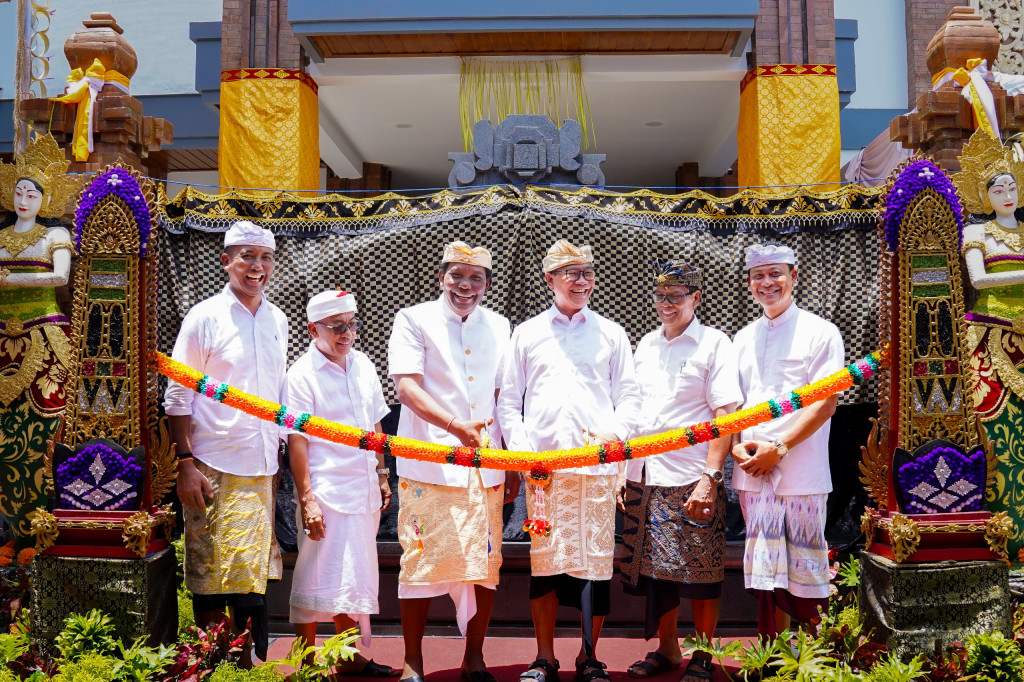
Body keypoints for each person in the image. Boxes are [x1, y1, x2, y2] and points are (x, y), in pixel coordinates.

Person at [498, 239, 641, 682]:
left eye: (588, 272)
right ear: (550, 280)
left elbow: (630, 397)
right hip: (544, 474)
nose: (582, 281)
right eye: (571, 273)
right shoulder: (527, 333)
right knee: (545, 565)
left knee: (595, 566)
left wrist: (613, 436)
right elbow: (509, 403)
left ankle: (588, 657)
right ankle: (544, 657)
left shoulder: (611, 333)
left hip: (596, 470)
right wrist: (524, 455)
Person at [387, 241, 516, 682]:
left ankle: (474, 658)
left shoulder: (500, 325)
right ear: (441, 277)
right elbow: (407, 387)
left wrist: (509, 460)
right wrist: (454, 426)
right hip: (429, 465)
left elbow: (503, 395)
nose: (465, 285)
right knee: (419, 564)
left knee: (485, 565)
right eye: (456, 275)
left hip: (485, 467)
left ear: (488, 284)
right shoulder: (413, 318)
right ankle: (413, 662)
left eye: (475, 277)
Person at [164, 220, 287, 665]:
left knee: (251, 569)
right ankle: (210, 665)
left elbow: (279, 393)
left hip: (263, 463)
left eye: (266, 257)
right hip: (212, 462)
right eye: (247, 256)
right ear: (226, 261)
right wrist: (185, 463)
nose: (257, 266)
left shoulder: (278, 319)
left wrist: (280, 451)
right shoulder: (204, 317)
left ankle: (245, 664)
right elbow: (178, 394)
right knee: (212, 570)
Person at [621, 260, 743, 682]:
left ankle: (704, 655)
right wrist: (622, 472)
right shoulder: (645, 344)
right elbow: (632, 409)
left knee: (702, 572)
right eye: (660, 296)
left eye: (676, 297)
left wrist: (712, 476)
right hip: (645, 473)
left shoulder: (714, 344)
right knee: (656, 573)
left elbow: (726, 415)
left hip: (692, 476)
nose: (666, 304)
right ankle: (668, 650)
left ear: (696, 298)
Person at [730, 243, 844, 639]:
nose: (767, 283)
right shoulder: (742, 338)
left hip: (800, 472)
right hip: (753, 473)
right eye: (758, 276)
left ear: (794, 276)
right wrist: (737, 445)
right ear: (749, 283)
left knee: (805, 572)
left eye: (775, 274)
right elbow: (735, 405)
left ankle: (813, 660)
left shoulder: (821, 332)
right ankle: (774, 657)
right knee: (766, 575)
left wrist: (778, 448)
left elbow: (826, 403)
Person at [285, 290, 400, 677]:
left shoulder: (363, 364)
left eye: (352, 325)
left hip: (363, 487)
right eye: (336, 327)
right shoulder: (301, 375)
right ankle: (305, 662)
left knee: (352, 574)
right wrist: (307, 500)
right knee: (315, 574)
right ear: (312, 329)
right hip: (326, 491)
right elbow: (297, 441)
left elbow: (375, 424)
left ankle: (347, 657)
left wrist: (382, 474)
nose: (346, 333)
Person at [0, 133, 79, 548]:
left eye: (32, 194)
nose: (23, 199)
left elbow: (61, 277)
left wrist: (10, 281)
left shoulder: (54, 236)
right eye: (18, 192)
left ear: (45, 199)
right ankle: (10, 530)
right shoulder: (0, 237)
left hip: (44, 335)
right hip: (2, 336)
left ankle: (46, 519)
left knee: (47, 420)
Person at [952, 129, 1024, 560]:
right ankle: (999, 534)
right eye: (998, 189)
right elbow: (978, 280)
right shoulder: (976, 232)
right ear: (984, 194)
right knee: (995, 430)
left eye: (1012, 186)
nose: (1007, 195)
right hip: (991, 337)